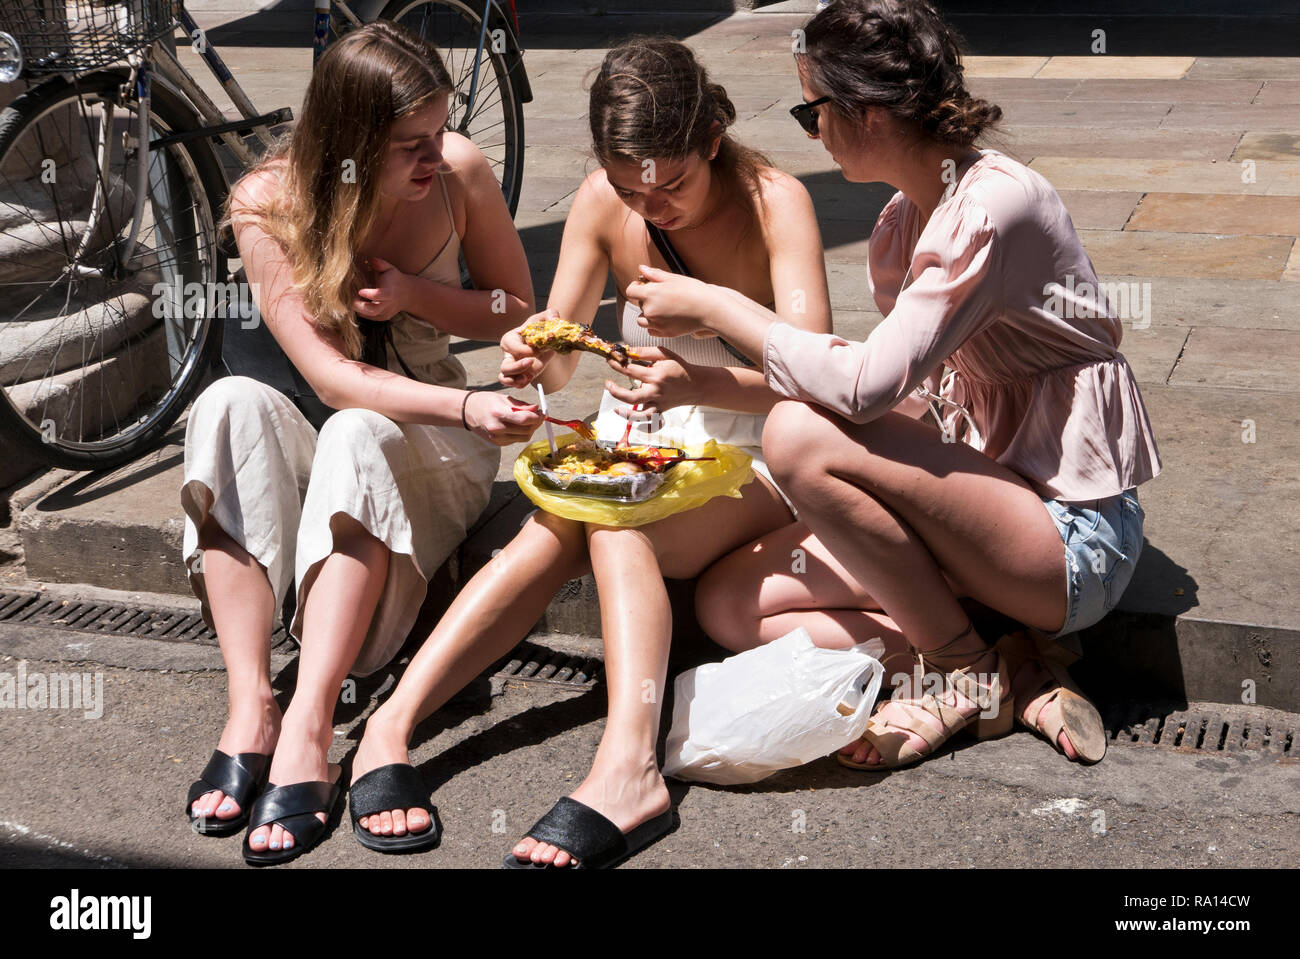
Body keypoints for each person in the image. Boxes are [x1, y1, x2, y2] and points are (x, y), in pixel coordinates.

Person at [344, 37, 831, 867]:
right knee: (547, 530)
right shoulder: (605, 203)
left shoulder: (775, 201)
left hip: (749, 448)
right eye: (631, 185)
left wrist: (699, 374)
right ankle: (387, 729)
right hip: (637, 439)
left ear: (711, 137)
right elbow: (564, 354)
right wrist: (533, 353)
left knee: (616, 523)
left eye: (671, 184)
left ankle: (628, 765)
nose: (653, 204)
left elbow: (819, 383)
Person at [641, 0, 1161, 769]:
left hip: (1065, 538)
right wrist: (697, 385)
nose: (810, 130)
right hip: (974, 516)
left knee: (794, 439)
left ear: (869, 112)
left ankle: (962, 668)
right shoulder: (906, 219)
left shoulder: (992, 208)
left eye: (811, 110)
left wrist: (721, 308)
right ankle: (1005, 668)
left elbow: (863, 393)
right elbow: (901, 398)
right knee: (729, 604)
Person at [179, 21, 540, 865]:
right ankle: (251, 707)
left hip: (429, 430)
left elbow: (517, 308)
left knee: (357, 432)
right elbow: (331, 378)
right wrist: (471, 407)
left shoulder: (460, 175)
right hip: (340, 418)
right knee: (228, 402)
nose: (435, 155)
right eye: (410, 144)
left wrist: (417, 294)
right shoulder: (266, 202)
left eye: (440, 131)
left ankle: (309, 724)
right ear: (348, 143)